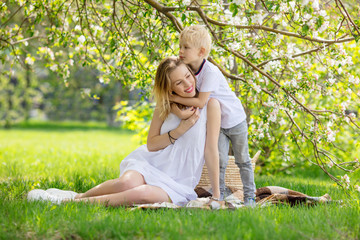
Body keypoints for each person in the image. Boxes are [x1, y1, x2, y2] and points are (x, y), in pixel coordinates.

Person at [27, 57, 221, 207]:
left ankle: (71, 202)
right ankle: (75, 195)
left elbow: (211, 151)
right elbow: (152, 144)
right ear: (169, 88)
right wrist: (180, 130)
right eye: (178, 83)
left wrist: (217, 196)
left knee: (143, 194)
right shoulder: (165, 105)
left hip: (179, 181)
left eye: (187, 76)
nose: (187, 84)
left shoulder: (211, 106)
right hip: (152, 164)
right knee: (126, 184)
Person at [169, 25, 256, 206]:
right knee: (220, 159)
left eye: (186, 47)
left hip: (235, 120)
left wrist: (174, 97)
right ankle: (220, 194)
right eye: (180, 46)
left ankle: (250, 196)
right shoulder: (187, 70)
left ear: (201, 51)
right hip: (218, 124)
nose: (180, 51)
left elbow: (201, 102)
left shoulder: (210, 72)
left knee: (243, 160)